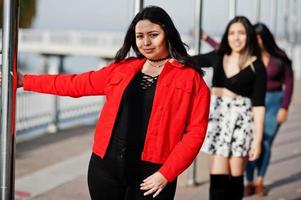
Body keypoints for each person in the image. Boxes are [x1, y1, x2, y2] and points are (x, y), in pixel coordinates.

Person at [0, 6, 210, 200]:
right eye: (140, 36)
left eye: (153, 35)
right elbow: (76, 84)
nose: (146, 42)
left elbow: (195, 134)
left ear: (168, 34)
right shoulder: (122, 69)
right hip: (105, 169)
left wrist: (166, 174)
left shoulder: (191, 79)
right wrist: (24, 81)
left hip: (152, 175)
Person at [193, 16, 267, 200]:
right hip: (217, 121)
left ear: (248, 35)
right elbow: (187, 61)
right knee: (217, 180)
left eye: (241, 33)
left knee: (235, 179)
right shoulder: (218, 56)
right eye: (232, 33)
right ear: (227, 36)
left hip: (241, 124)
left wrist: (257, 141)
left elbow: (258, 106)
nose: (236, 37)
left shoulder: (257, 66)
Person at [244, 23, 294, 196]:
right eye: (254, 38)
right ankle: (248, 181)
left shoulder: (279, 56)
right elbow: (223, 51)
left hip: (274, 101)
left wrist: (285, 107)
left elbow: (289, 81)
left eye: (259, 37)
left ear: (265, 37)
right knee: (251, 143)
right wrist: (206, 38)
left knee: (265, 142)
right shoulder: (249, 55)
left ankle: (260, 180)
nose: (257, 41)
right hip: (253, 101)